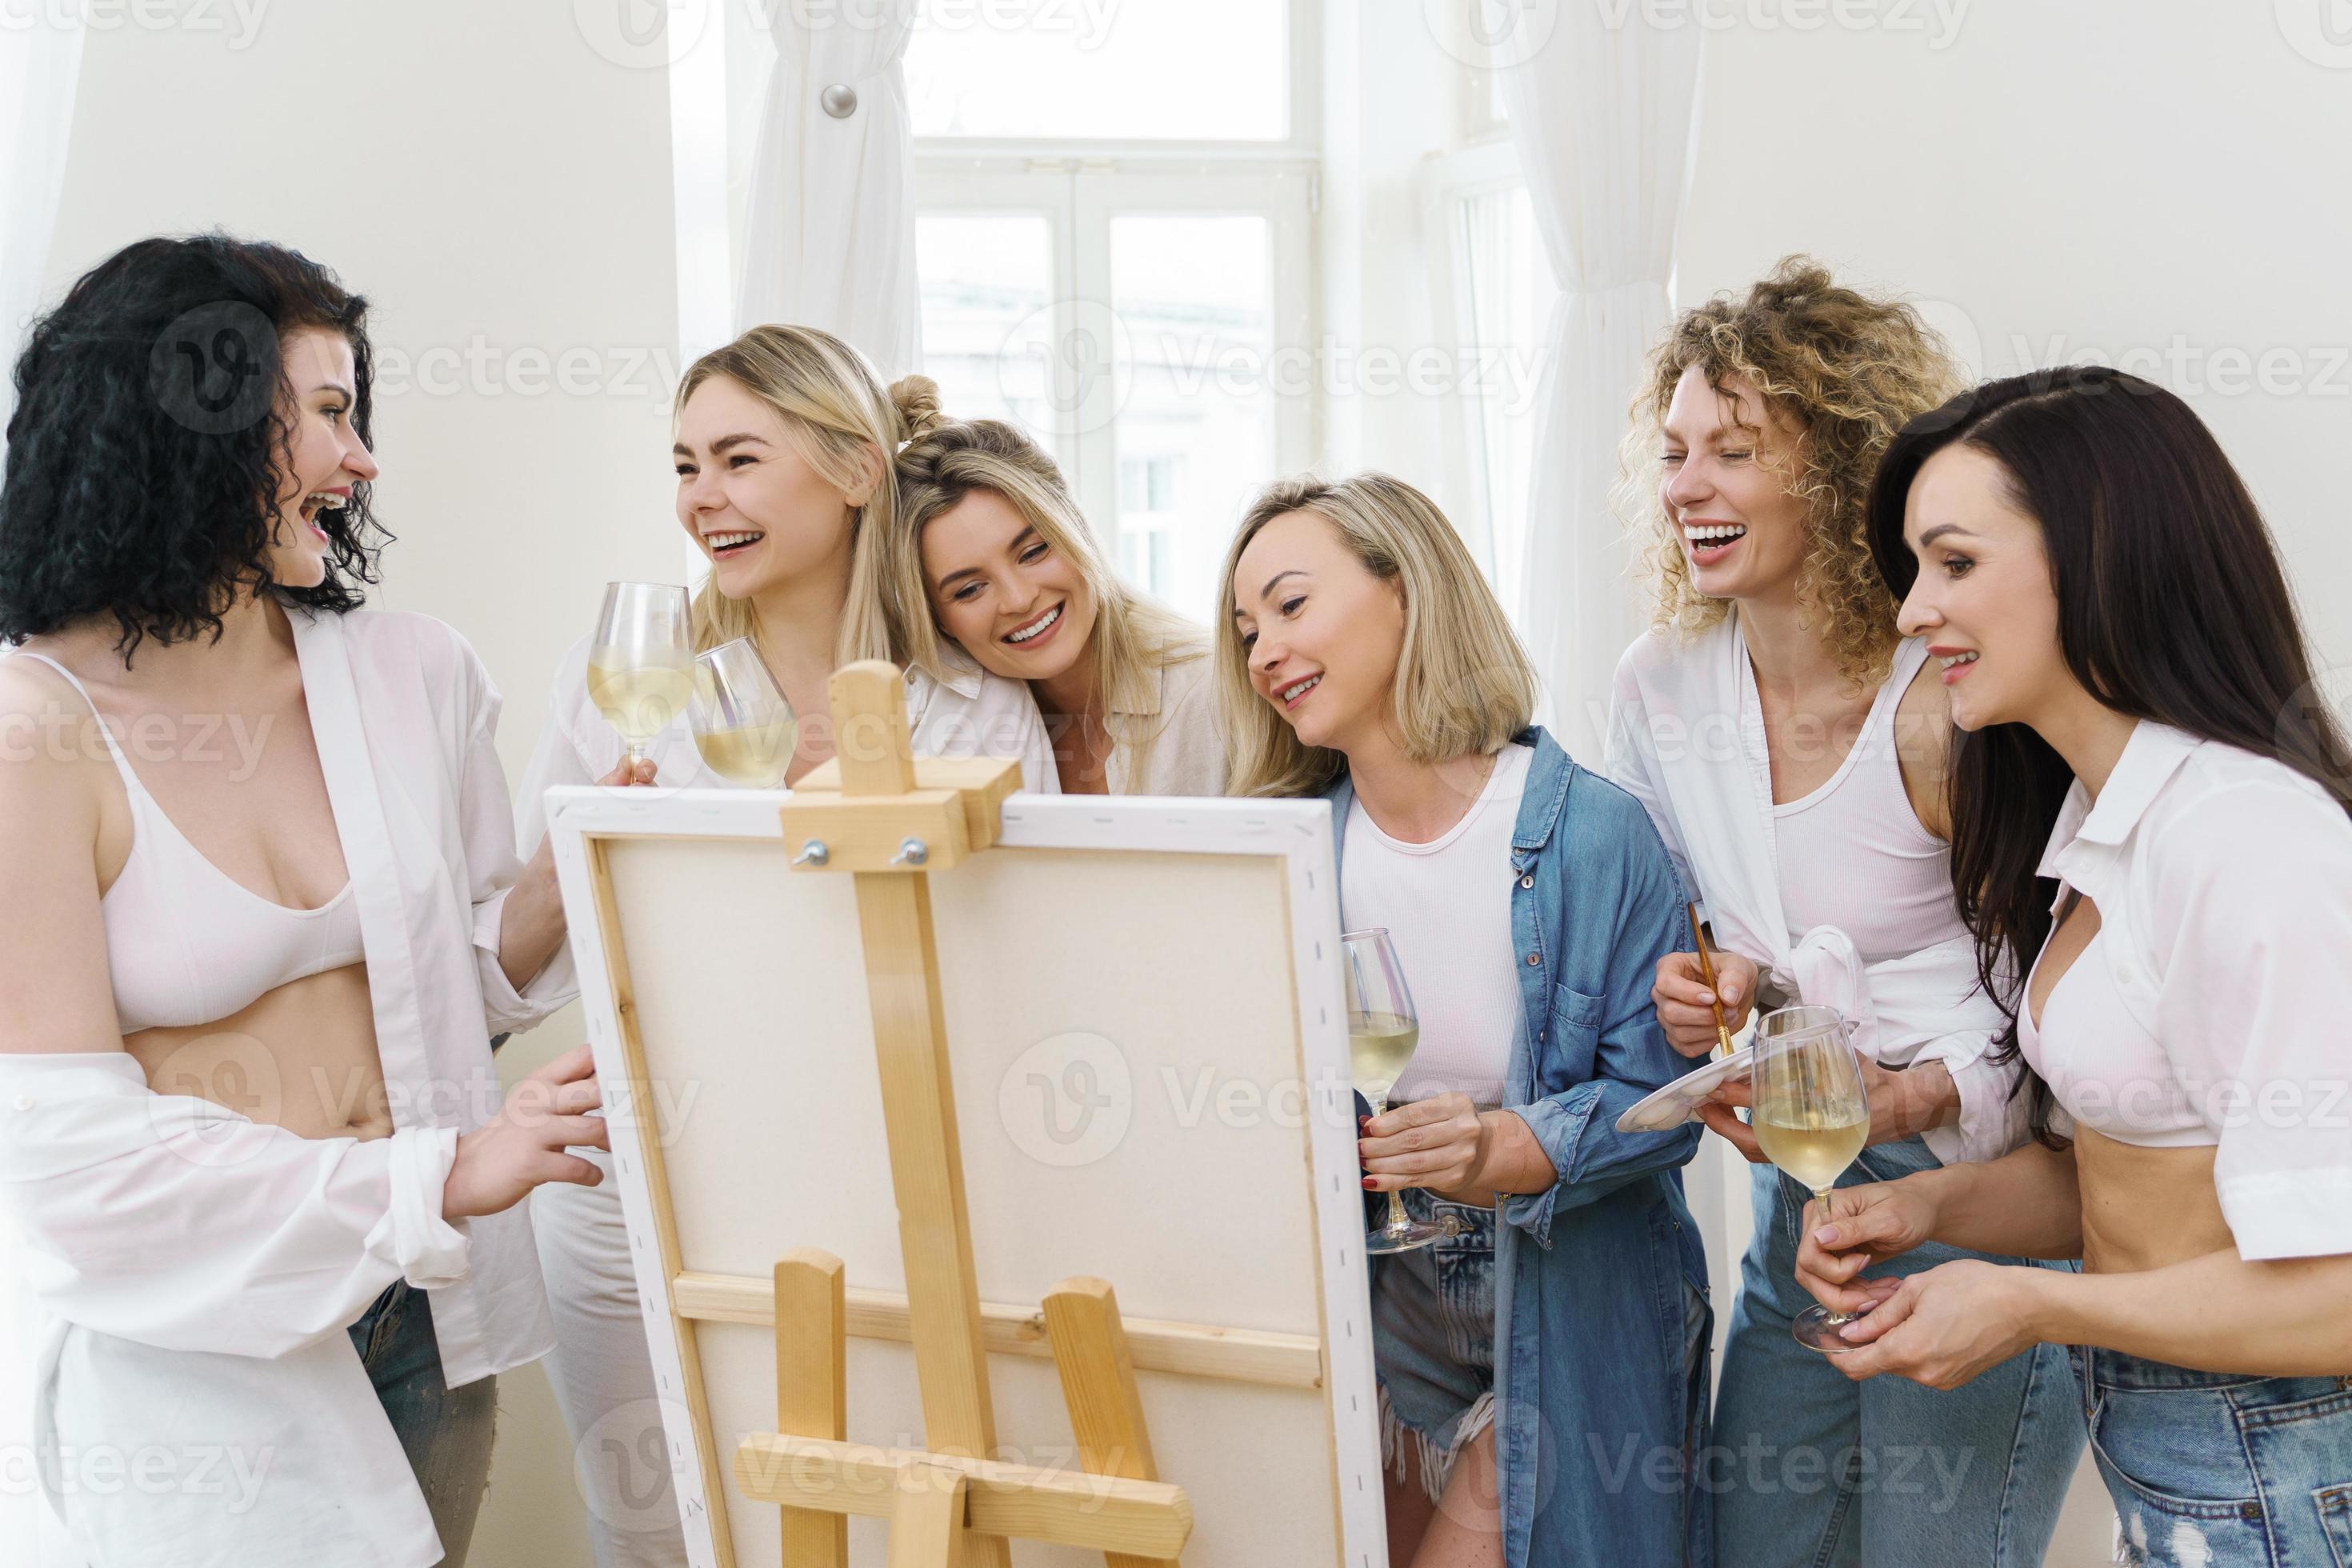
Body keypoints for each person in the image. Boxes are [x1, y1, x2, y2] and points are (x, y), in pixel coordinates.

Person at [0, 234, 601, 1567]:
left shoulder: (410, 671)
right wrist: (441, 1171)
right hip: (206, 1365)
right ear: (189, 422)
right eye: (328, 414)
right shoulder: (33, 729)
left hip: (420, 1321)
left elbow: (455, 983)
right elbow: (67, 1165)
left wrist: (586, 859)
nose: (363, 460)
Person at [514, 326, 1056, 1568]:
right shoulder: (633, 681)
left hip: (868, 1178)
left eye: (740, 460)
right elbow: (521, 961)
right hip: (632, 1188)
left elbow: (1020, 968)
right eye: (685, 465)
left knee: (851, 1533)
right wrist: (580, 829)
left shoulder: (972, 701)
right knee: (649, 1530)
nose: (704, 498)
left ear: (857, 470)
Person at [1798, 366, 2352, 1559]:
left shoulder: (2245, 838)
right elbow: (2136, 1163)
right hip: (2189, 1452)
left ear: (2097, 554)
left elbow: (2343, 1293)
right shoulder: (2106, 826)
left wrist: (2036, 1306)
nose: (1909, 613)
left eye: (1953, 564)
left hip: (2284, 1461)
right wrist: (1925, 1206)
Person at [1605, 260, 2083, 1566]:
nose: (1688, 485)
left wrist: (1910, 1099)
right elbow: (1727, 947)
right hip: (1810, 1207)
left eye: (1736, 450)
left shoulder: (1945, 698)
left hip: (1986, 1207)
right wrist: (1711, 992)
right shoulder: (1660, 687)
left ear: (1843, 469)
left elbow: (2067, 999)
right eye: (1674, 452)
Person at [1218, 472, 1710, 1567]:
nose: (1263, 651)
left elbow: (1669, 1107)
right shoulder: (1287, 851)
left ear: (1408, 591)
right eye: (1247, 629)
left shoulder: (1591, 834)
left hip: (1570, 1308)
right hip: (1382, 1309)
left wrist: (1499, 1146)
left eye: (1291, 606)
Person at [890, 412, 1222, 794]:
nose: (1019, 599)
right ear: (938, 618)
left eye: (1033, 552)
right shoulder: (950, 729)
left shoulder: (1213, 693)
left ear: (1075, 525)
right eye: (969, 590)